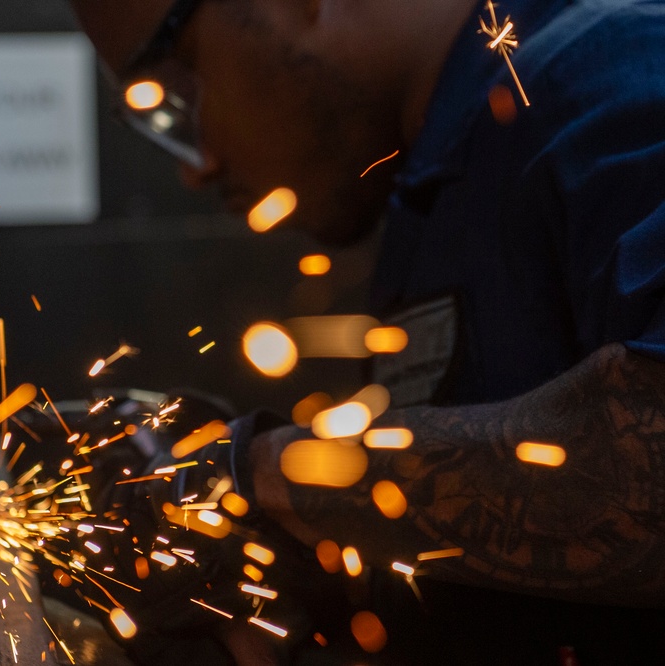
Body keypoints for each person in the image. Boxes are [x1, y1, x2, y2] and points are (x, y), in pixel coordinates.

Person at [68, 0, 665, 663]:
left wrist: (265, 472)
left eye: (178, 89)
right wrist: (276, 564)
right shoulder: (437, 182)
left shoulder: (618, 72)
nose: (196, 164)